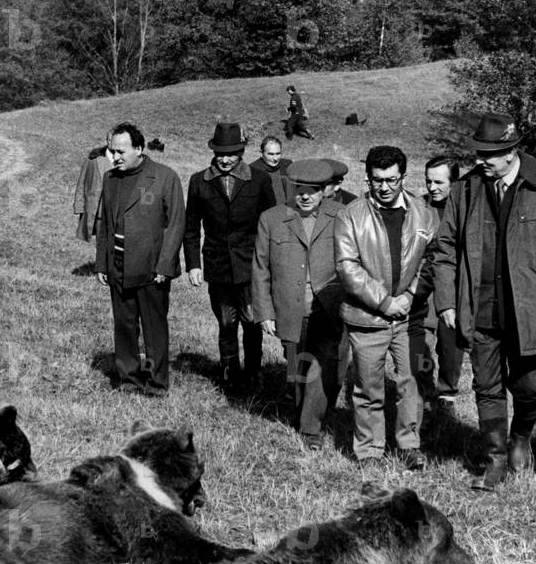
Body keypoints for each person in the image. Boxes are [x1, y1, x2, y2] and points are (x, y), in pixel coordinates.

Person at [433, 112, 536, 492]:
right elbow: (445, 248)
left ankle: (521, 437)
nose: (481, 161)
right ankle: (496, 457)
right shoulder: (464, 190)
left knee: (531, 386)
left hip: (532, 310)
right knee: (486, 386)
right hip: (479, 307)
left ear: (512, 151)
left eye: (490, 154)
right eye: (478, 153)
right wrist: (448, 301)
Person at [335, 145, 437, 486]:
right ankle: (369, 450)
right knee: (368, 386)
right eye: (377, 180)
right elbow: (347, 267)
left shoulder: (424, 213)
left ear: (403, 177)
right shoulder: (351, 215)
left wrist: (409, 296)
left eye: (392, 179)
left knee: (411, 383)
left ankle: (409, 444)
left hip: (410, 316)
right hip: (368, 318)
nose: (384, 187)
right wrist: (384, 302)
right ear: (367, 178)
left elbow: (433, 259)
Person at [252, 159, 345, 450]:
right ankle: (300, 409)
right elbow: (260, 269)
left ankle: (310, 429)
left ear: (324, 191)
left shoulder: (342, 216)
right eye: (299, 190)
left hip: (327, 310)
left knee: (321, 366)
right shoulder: (272, 218)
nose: (305, 196)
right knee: (295, 369)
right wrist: (265, 312)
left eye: (313, 191)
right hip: (289, 310)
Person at [184, 122, 277, 393]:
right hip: (218, 266)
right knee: (226, 323)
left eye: (232, 153)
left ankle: (254, 373)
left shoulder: (259, 180)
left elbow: (270, 223)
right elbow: (191, 227)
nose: (225, 159)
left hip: (251, 266)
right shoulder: (199, 181)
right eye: (220, 153)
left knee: (251, 321)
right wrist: (193, 265)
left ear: (242, 151)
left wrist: (270, 263)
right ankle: (229, 374)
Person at [95, 122, 185, 396]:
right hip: (118, 266)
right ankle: (128, 379)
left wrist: (165, 265)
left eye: (121, 151)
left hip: (151, 269)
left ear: (139, 148)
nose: (115, 157)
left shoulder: (165, 177)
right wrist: (102, 263)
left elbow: (175, 225)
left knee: (154, 327)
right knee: (124, 324)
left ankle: (157, 384)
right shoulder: (110, 180)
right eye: (112, 151)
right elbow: (105, 225)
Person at [420, 156, 465, 408]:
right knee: (422, 345)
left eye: (439, 182)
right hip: (424, 290)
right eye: (428, 181)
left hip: (453, 290)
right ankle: (424, 391)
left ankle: (447, 392)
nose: (432, 187)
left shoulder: (466, 210)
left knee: (450, 349)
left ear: (454, 183)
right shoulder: (418, 207)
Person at [73, 137, 114, 242]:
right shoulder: (93, 160)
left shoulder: (128, 161)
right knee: (101, 246)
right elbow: (82, 182)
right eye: (109, 139)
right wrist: (79, 207)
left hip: (119, 214)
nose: (112, 142)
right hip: (100, 213)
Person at [249, 136, 292, 206]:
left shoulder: (287, 165)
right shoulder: (253, 170)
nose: (275, 158)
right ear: (261, 153)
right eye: (271, 154)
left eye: (278, 154)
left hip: (289, 212)